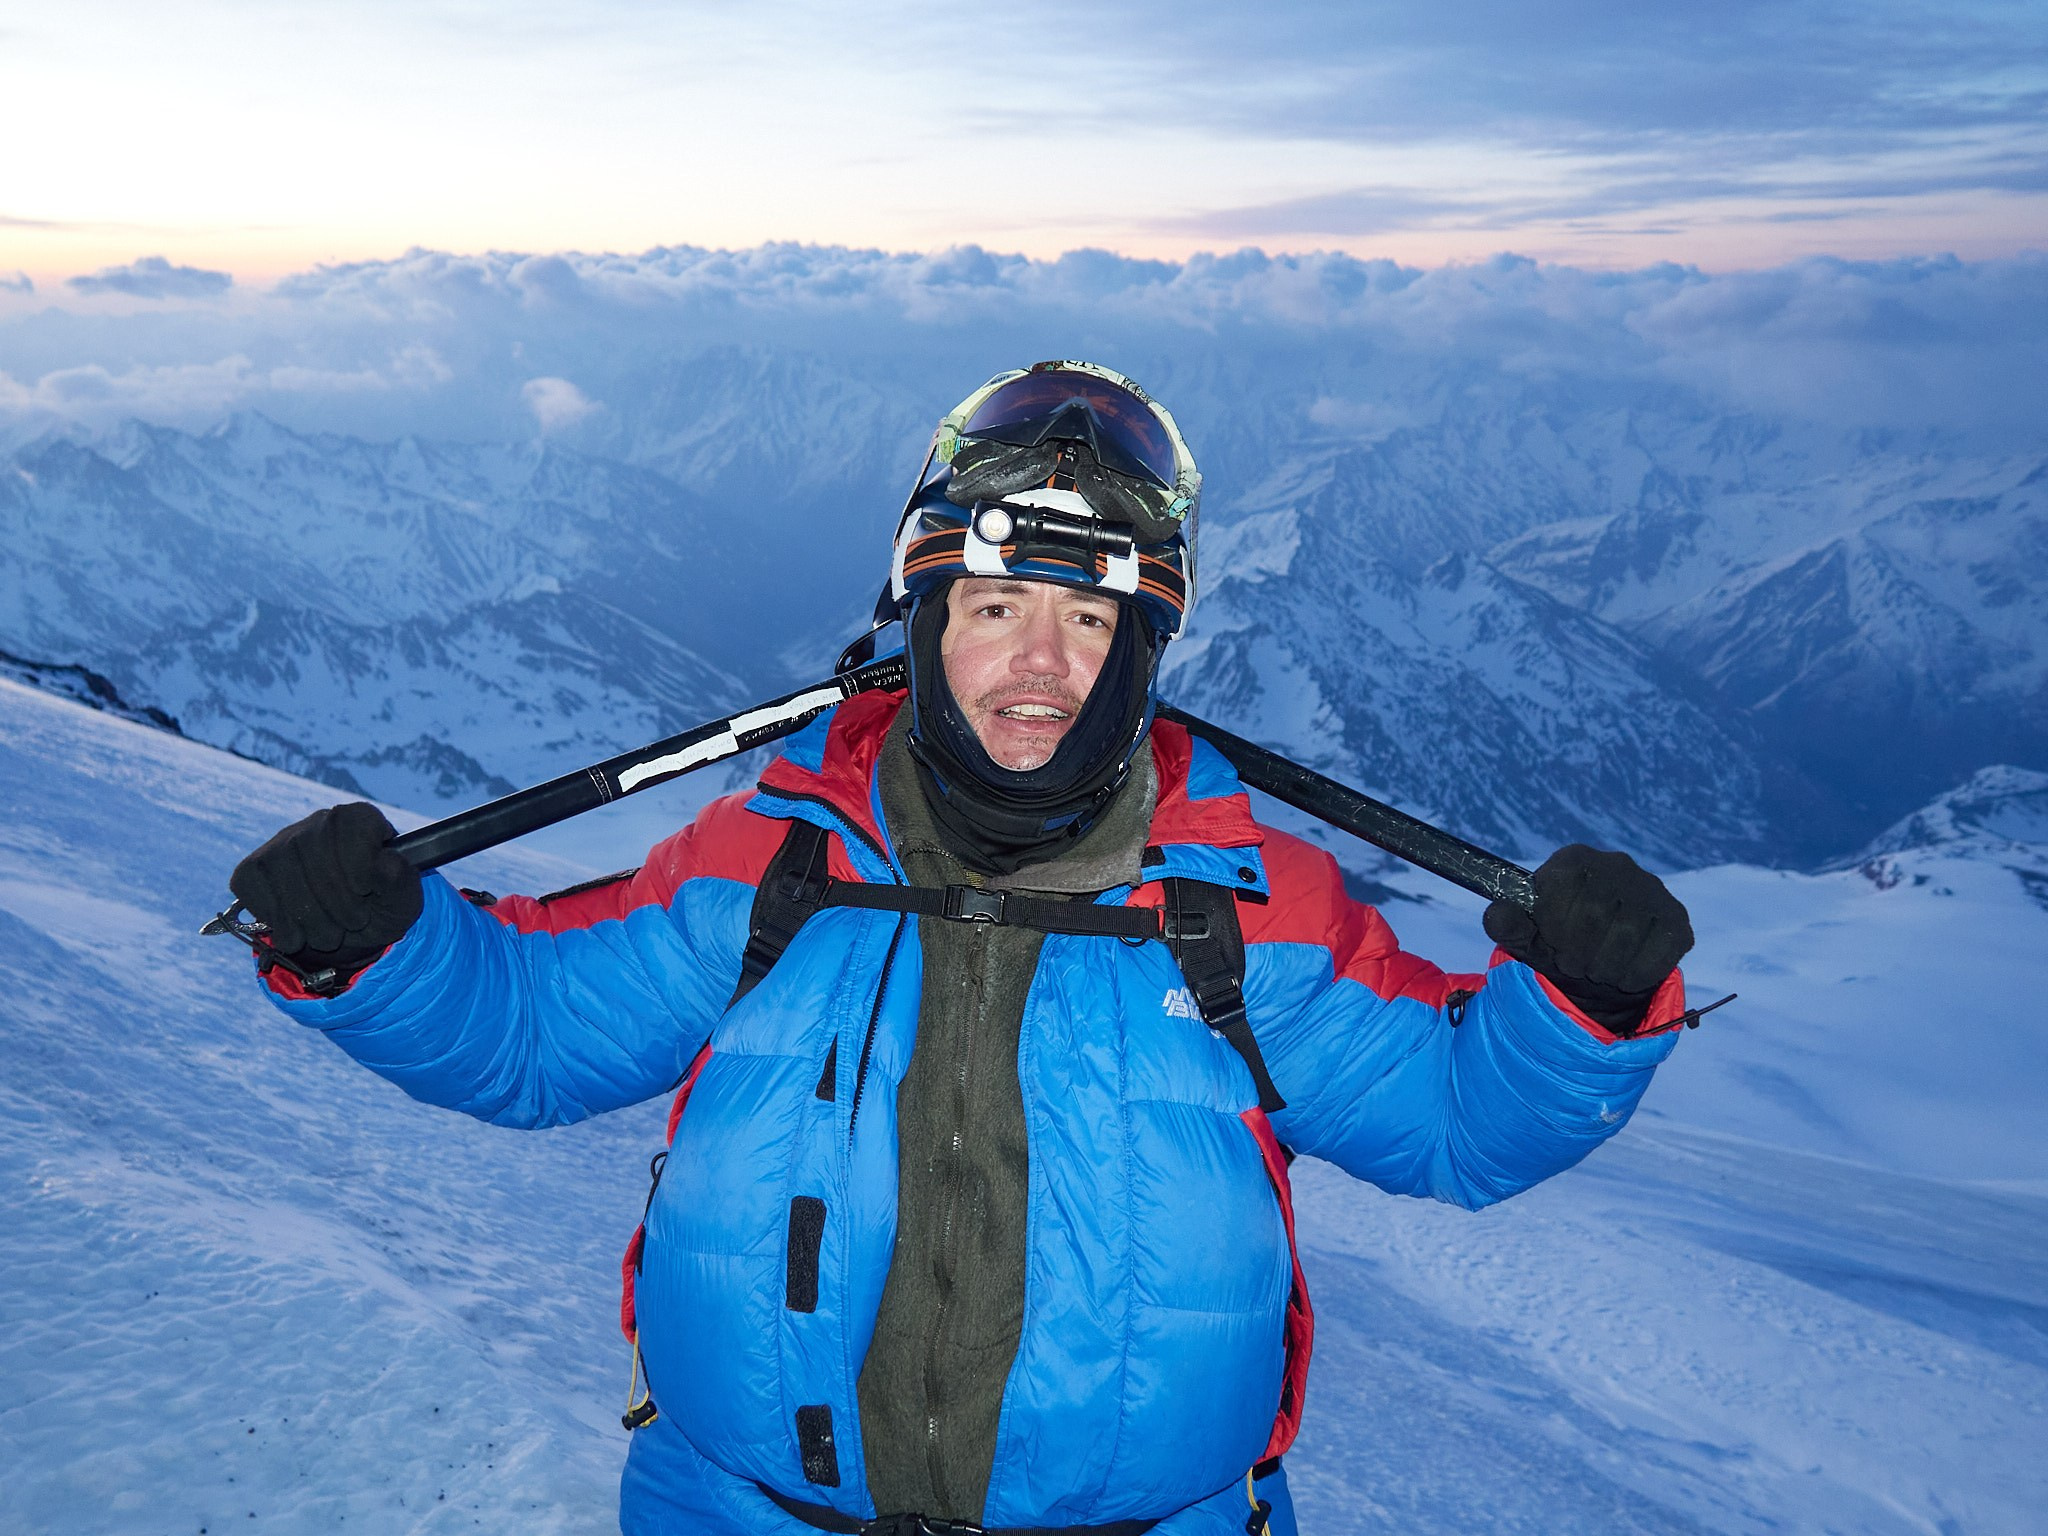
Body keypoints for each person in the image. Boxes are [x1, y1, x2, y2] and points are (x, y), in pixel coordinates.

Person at [230, 361, 1696, 1536]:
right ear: (923, 626)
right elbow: (534, 1031)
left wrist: (1585, 1003)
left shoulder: (1248, 907)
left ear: (1144, 646)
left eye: (1086, 616)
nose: (1040, 664)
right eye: (996, 609)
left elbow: (1454, 1119)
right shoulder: (774, 864)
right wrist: (380, 946)